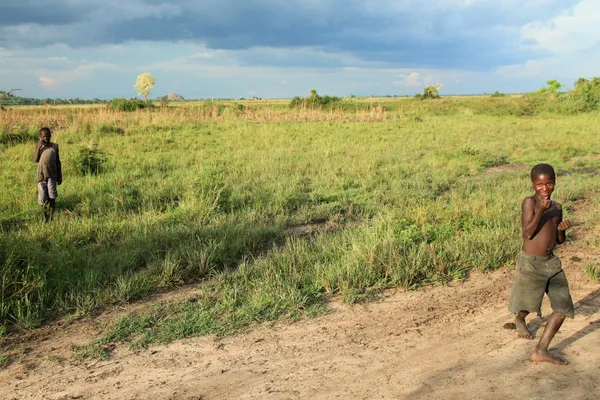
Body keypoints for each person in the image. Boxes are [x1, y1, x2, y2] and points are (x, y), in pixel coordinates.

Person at [508, 163, 573, 365]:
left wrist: (563, 230)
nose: (544, 188)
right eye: (539, 184)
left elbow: (559, 241)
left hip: (550, 262)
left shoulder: (557, 207)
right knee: (529, 302)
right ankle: (520, 318)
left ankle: (541, 350)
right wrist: (540, 212)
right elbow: (527, 232)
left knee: (563, 307)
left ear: (554, 182)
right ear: (533, 185)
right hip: (532, 263)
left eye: (549, 183)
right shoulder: (530, 203)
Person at [34, 127, 62, 222]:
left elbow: (58, 162)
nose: (46, 138)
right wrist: (38, 146)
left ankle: (51, 217)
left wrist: (60, 176)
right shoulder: (39, 146)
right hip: (41, 176)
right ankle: (44, 217)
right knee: (42, 198)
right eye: (44, 136)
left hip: (52, 175)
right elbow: (35, 160)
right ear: (40, 136)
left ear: (51, 135)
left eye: (48, 136)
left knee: (52, 196)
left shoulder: (54, 146)